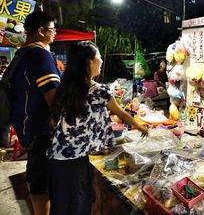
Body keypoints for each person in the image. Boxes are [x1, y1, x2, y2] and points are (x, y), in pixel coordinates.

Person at [47, 41, 148, 215]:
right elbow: (122, 114)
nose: (101, 61)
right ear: (89, 62)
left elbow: (53, 122)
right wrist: (140, 127)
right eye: (99, 58)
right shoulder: (100, 91)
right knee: (79, 206)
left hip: (57, 159)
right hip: (76, 162)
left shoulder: (64, 88)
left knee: (62, 206)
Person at [9, 11, 60, 215]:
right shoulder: (40, 54)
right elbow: (53, 97)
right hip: (42, 130)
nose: (55, 33)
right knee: (42, 183)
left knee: (36, 176)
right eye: (52, 29)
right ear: (41, 31)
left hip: (27, 128)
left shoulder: (21, 54)